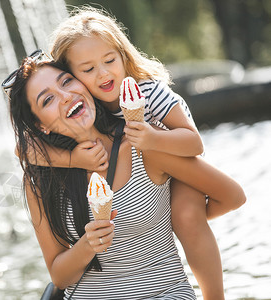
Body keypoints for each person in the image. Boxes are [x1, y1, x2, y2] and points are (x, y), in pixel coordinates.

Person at [15, 7, 227, 299]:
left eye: (65, 83)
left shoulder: (146, 129)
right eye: (48, 99)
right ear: (41, 125)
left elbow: (223, 183)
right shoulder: (39, 179)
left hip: (162, 290)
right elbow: (59, 276)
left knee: (186, 213)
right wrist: (87, 244)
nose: (65, 97)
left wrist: (180, 217)